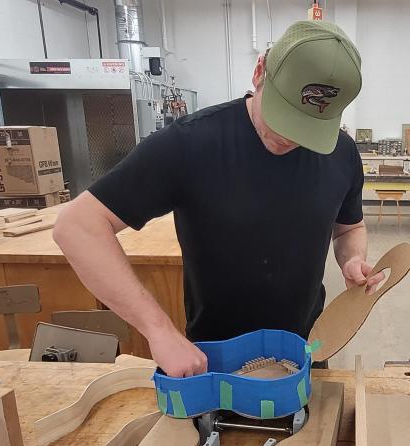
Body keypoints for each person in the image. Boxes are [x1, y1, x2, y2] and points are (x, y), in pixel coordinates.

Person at [53, 20, 381, 378]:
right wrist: (159, 330)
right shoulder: (190, 144)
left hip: (307, 353)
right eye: (283, 115)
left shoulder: (342, 152)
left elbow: (350, 227)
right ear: (259, 72)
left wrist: (353, 259)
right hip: (213, 363)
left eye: (307, 127)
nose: (291, 137)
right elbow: (77, 227)